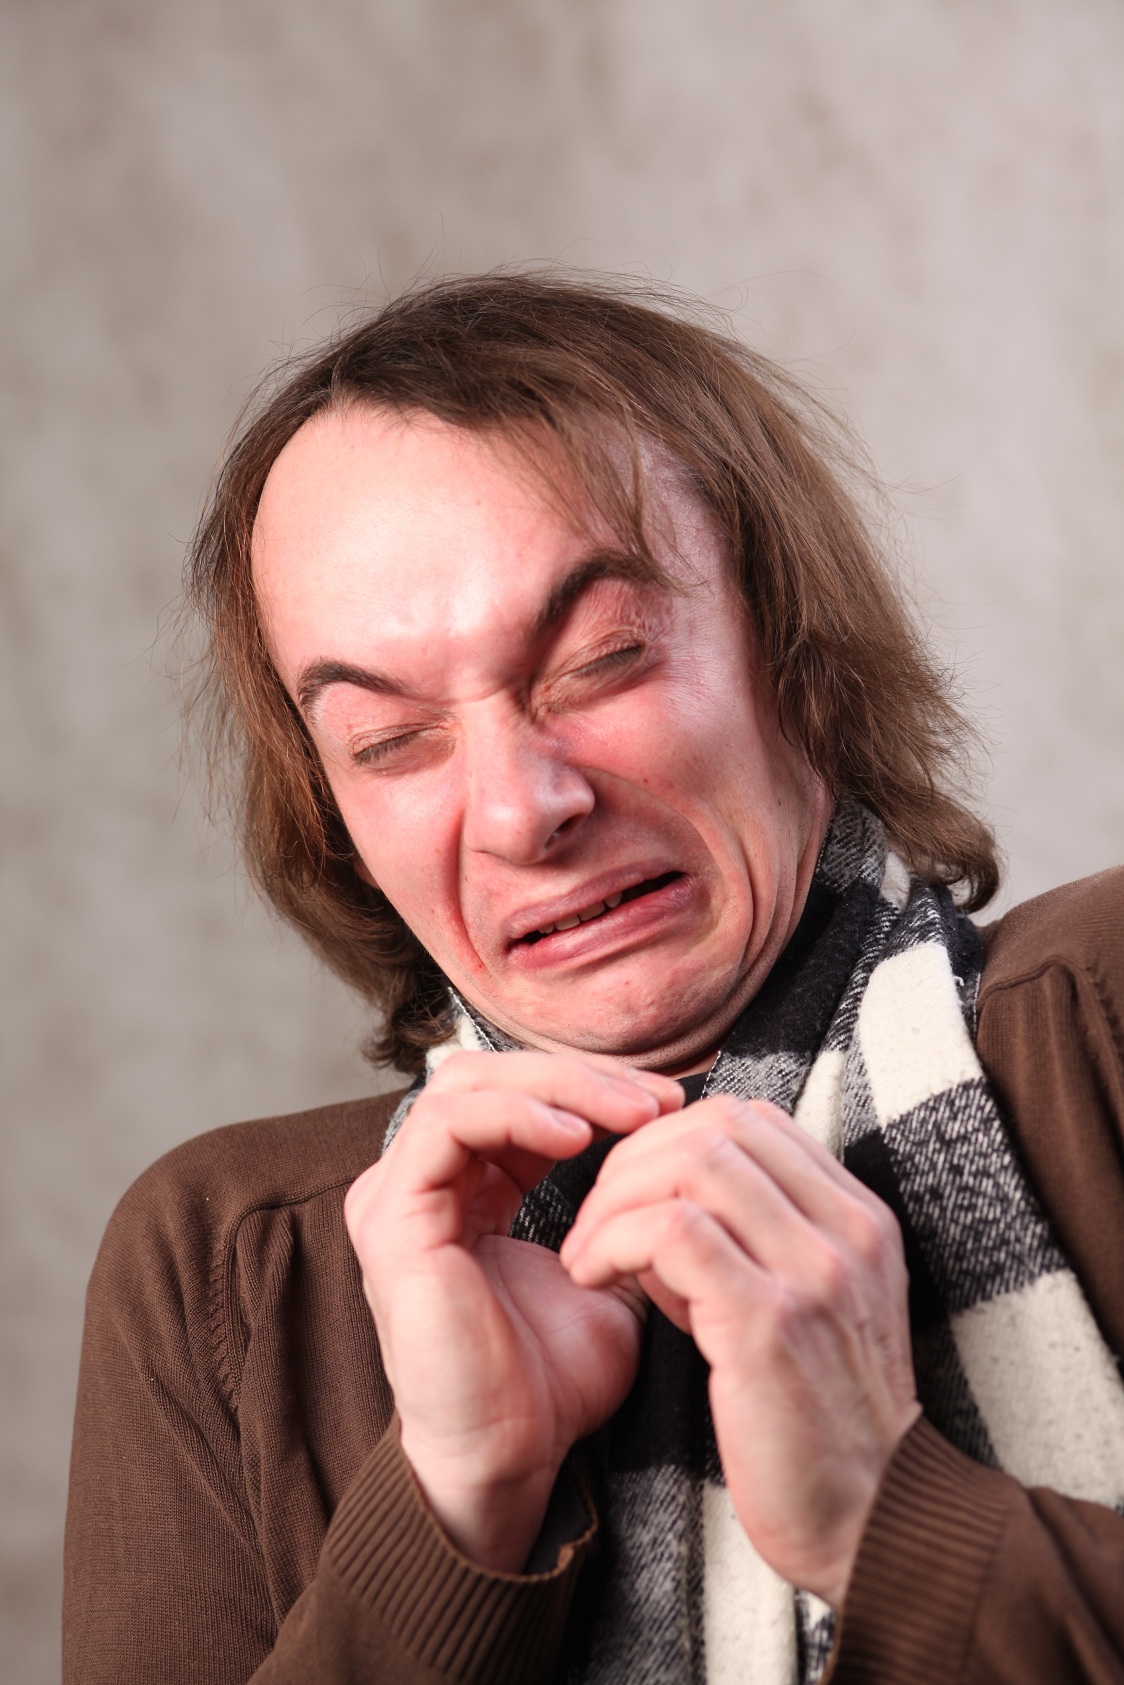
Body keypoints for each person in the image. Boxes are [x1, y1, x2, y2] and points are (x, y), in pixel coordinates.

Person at [64, 273, 1124, 1685]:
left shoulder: (1104, 1018)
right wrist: (453, 1504)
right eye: (389, 742)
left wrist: (891, 1516)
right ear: (336, 820)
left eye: (601, 661)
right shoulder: (224, 1268)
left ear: (796, 654)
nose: (522, 811)